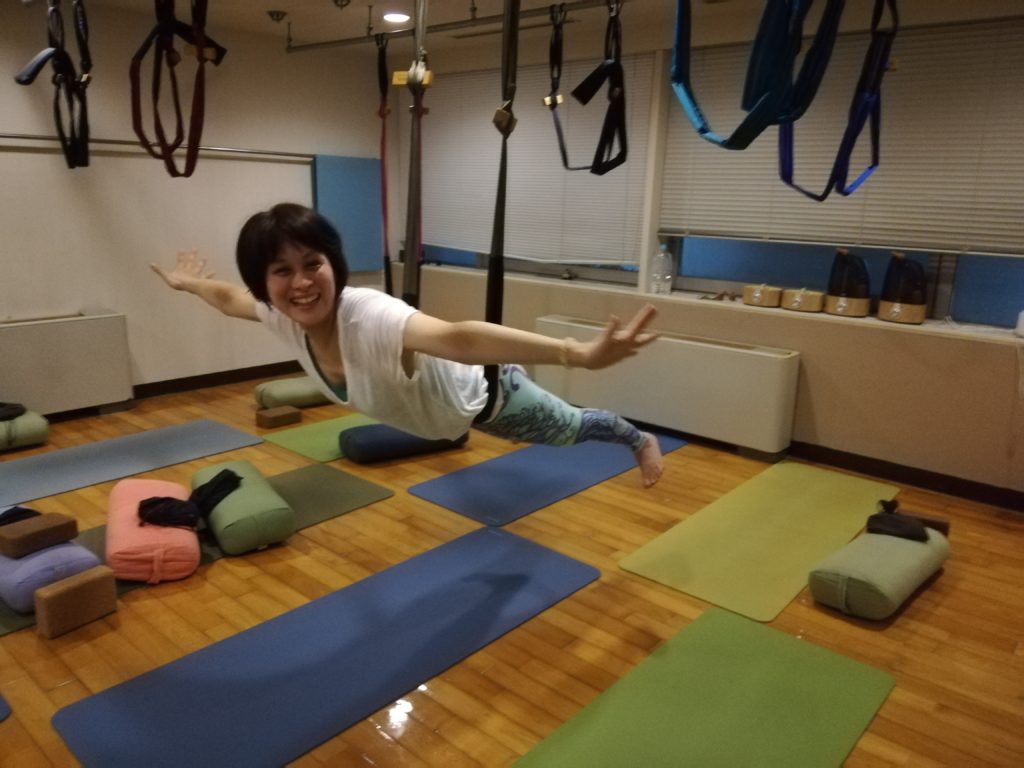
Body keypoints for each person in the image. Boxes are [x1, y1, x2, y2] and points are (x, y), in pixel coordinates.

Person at [152, 203, 665, 486]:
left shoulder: (368, 315)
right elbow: (228, 298)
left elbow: (457, 338)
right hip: (451, 418)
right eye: (282, 271)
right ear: (265, 284)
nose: (302, 282)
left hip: (491, 397)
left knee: (572, 430)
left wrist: (576, 353)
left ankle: (638, 439)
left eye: (313, 263)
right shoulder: (278, 315)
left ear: (333, 265)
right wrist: (188, 283)